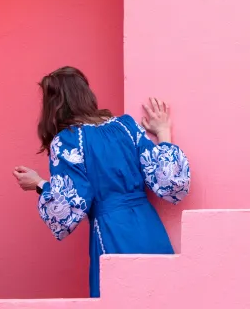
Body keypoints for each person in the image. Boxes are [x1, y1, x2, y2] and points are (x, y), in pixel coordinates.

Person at [12, 66, 190, 297]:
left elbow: (66, 209)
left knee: (122, 297)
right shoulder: (126, 126)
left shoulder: (67, 141)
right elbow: (170, 182)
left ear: (54, 105)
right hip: (149, 225)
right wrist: (164, 132)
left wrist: (39, 184)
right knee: (162, 296)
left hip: (112, 230)